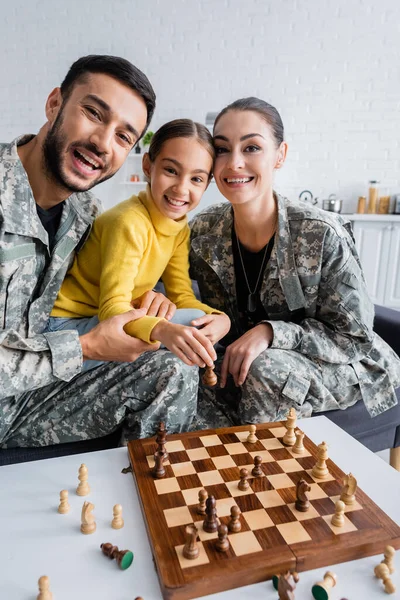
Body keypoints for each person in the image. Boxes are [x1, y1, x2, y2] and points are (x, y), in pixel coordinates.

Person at [0, 55, 194, 449]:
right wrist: (86, 346)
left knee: (172, 367)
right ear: (54, 104)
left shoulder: (84, 214)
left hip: (29, 402)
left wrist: (145, 300)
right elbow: (81, 341)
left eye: (124, 136)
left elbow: (91, 296)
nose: (103, 143)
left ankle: (148, 502)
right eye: (93, 113)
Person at [189, 97, 400, 428]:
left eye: (252, 148)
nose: (234, 163)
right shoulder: (203, 229)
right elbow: (166, 279)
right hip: (247, 361)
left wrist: (271, 333)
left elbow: (353, 337)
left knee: (265, 368)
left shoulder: (322, 233)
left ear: (280, 155)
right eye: (222, 149)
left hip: (343, 365)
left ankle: (262, 475)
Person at [47, 119, 230, 369]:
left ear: (206, 184)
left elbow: (182, 296)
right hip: (70, 328)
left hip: (107, 319)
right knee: (185, 328)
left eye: (196, 179)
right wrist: (162, 330)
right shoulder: (128, 222)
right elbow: (112, 307)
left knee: (200, 321)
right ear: (148, 166)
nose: (181, 189)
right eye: (171, 171)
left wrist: (221, 318)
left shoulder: (178, 228)